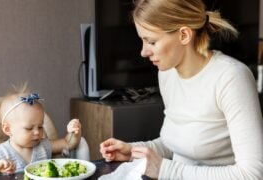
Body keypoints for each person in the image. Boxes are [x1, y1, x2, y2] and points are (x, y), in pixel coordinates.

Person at [100, 0, 263, 179]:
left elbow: (252, 174)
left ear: (184, 35)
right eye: (143, 41)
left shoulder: (231, 78)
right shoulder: (168, 74)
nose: (143, 52)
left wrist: (165, 171)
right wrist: (133, 151)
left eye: (152, 42)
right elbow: (177, 144)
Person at [0, 86, 82, 179]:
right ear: (7, 129)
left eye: (40, 126)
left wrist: (74, 132)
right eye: (29, 128)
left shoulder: (44, 146)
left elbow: (68, 143)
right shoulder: (1, 153)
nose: (37, 132)